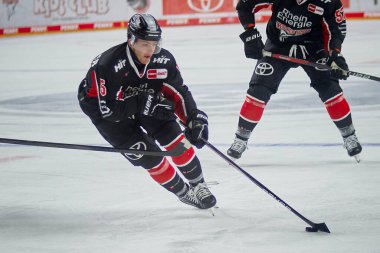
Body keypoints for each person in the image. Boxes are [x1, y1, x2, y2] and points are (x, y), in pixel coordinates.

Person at [77, 13, 216, 209]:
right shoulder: (107, 65)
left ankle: (199, 185)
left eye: (154, 43)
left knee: (176, 140)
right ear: (131, 41)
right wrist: (142, 101)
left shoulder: (164, 60)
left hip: (144, 98)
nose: (151, 49)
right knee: (149, 156)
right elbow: (109, 111)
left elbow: (179, 92)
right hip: (105, 111)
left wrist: (194, 118)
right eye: (145, 44)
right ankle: (183, 192)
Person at [227, 0, 362, 162]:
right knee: (258, 90)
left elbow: (337, 28)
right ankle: (241, 138)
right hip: (278, 44)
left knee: (330, 88)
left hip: (314, 48)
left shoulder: (328, 1)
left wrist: (335, 55)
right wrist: (250, 34)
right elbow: (245, 5)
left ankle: (349, 135)